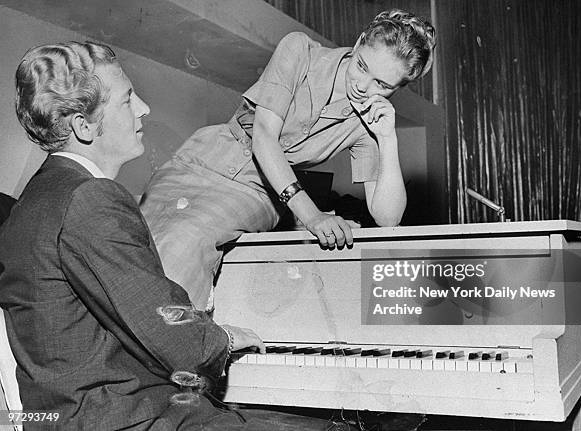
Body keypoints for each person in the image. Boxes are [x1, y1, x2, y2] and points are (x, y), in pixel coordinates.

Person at [0, 41, 334, 430]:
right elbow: (177, 339)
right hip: (116, 416)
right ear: (84, 126)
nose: (144, 108)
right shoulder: (91, 197)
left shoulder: (38, 196)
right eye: (128, 100)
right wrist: (224, 337)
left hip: (65, 411)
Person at [141, 9, 437, 311]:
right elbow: (265, 136)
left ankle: (176, 343)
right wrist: (313, 216)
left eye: (383, 85)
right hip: (202, 157)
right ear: (359, 41)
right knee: (135, 245)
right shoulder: (300, 51)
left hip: (257, 189)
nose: (363, 86)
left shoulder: (367, 120)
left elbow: (388, 218)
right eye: (362, 66)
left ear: (398, 88)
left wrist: (388, 139)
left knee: (180, 248)